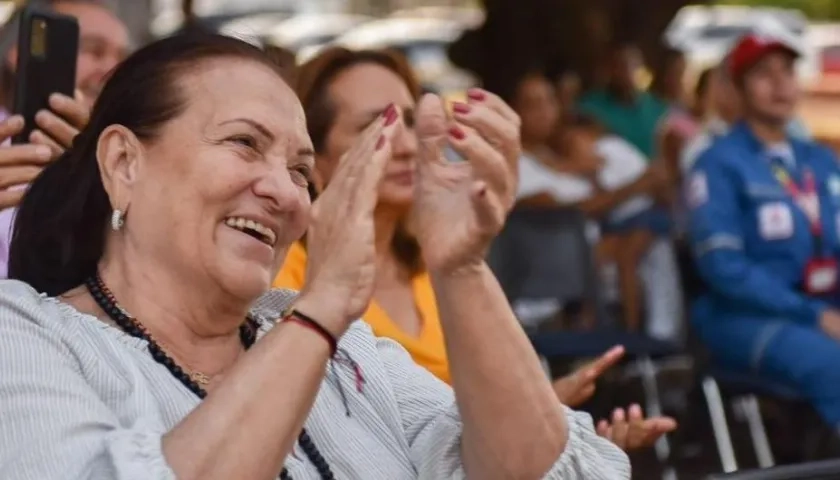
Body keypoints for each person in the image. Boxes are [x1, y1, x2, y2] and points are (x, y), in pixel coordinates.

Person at [0, 33, 632, 479]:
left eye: (302, 170)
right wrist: (321, 309)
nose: (284, 192)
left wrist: (458, 267)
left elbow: (532, 472)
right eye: (244, 143)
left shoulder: (350, 356)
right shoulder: (27, 335)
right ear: (124, 163)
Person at [274, 50, 675, 450]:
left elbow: (477, 430)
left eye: (412, 123)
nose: (407, 146)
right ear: (315, 159)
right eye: (378, 127)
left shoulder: (439, 266)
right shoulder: (285, 278)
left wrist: (558, 426)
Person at [687, 33, 840, 431]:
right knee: (834, 365)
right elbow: (722, 267)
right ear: (737, 89)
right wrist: (814, 314)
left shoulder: (820, 160)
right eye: (762, 73)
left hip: (823, 309)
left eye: (787, 71)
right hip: (742, 317)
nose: (779, 83)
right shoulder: (717, 164)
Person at [0, 0, 128, 277]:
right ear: (19, 54)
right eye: (94, 50)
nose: (111, 68)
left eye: (122, 57)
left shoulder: (123, 163)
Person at [578, 41, 669, 159]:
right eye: (621, 66)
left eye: (634, 65)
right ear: (609, 70)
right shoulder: (589, 109)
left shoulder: (659, 108)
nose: (627, 72)